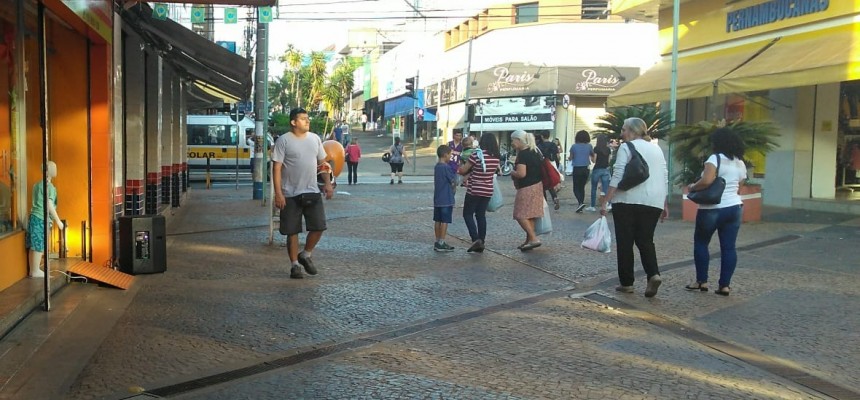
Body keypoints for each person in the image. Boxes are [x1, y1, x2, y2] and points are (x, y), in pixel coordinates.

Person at [600, 117, 669, 298]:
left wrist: (606, 200)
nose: (621, 133)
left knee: (625, 242)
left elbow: (618, 174)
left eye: (624, 130)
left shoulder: (626, 147)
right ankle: (653, 274)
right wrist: (664, 203)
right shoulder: (657, 149)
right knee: (646, 240)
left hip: (627, 200)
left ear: (632, 131)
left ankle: (627, 283)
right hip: (653, 201)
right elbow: (664, 176)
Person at [272, 108, 334, 280]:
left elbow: (322, 163)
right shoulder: (283, 141)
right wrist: (278, 193)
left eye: (308, 118)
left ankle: (306, 254)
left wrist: (327, 184)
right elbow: (276, 168)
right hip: (290, 193)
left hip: (312, 190)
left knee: (319, 226)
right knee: (292, 231)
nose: (308, 121)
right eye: (303, 119)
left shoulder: (315, 139)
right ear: (293, 122)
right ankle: (294, 265)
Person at [685, 127, 747, 296]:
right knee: (728, 248)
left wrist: (692, 187)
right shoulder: (740, 162)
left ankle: (701, 281)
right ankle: (724, 286)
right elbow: (739, 187)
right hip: (734, 208)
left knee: (701, 242)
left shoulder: (715, 159)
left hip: (711, 209)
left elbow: (706, 181)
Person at [459, 133, 501, 253]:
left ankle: (475, 238)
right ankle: (482, 240)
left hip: (474, 189)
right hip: (487, 190)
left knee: (467, 214)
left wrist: (460, 167)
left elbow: (463, 170)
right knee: (481, 215)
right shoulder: (496, 157)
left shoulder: (477, 155)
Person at [27, 161, 63, 278]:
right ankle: (35, 270)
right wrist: (58, 220)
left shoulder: (37, 185)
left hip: (34, 217)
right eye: (53, 167)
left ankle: (33, 269)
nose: (55, 169)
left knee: (34, 245)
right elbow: (49, 204)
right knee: (39, 245)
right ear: (47, 171)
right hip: (42, 218)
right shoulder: (49, 187)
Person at [510, 130, 544, 251]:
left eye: (512, 140)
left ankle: (534, 238)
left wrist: (512, 172)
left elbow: (521, 173)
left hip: (527, 187)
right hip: (538, 186)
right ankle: (529, 241)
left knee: (520, 214)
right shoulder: (535, 151)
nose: (512, 143)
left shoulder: (523, 154)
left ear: (518, 140)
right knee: (530, 215)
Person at [433, 145, 456, 252]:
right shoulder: (446, 167)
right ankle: (442, 242)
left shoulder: (437, 166)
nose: (450, 157)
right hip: (446, 198)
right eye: (450, 154)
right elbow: (453, 181)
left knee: (437, 220)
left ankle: (437, 240)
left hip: (437, 198)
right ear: (445, 155)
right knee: (445, 221)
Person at [569, 130, 593, 213]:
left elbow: (571, 157)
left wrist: (568, 159)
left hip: (577, 168)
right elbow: (593, 155)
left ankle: (580, 203)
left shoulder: (574, 146)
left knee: (576, 188)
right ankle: (580, 206)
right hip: (586, 168)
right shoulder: (589, 146)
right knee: (582, 187)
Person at [586, 134, 612, 212]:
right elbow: (609, 161)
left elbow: (594, 160)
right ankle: (608, 204)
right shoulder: (608, 149)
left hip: (597, 169)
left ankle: (592, 206)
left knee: (594, 188)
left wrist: (591, 157)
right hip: (605, 170)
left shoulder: (596, 148)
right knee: (606, 188)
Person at [535, 134, 561, 210]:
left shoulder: (538, 146)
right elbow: (557, 155)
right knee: (550, 184)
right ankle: (555, 197)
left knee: (542, 185)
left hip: (541, 166)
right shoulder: (553, 144)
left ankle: (544, 203)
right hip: (551, 163)